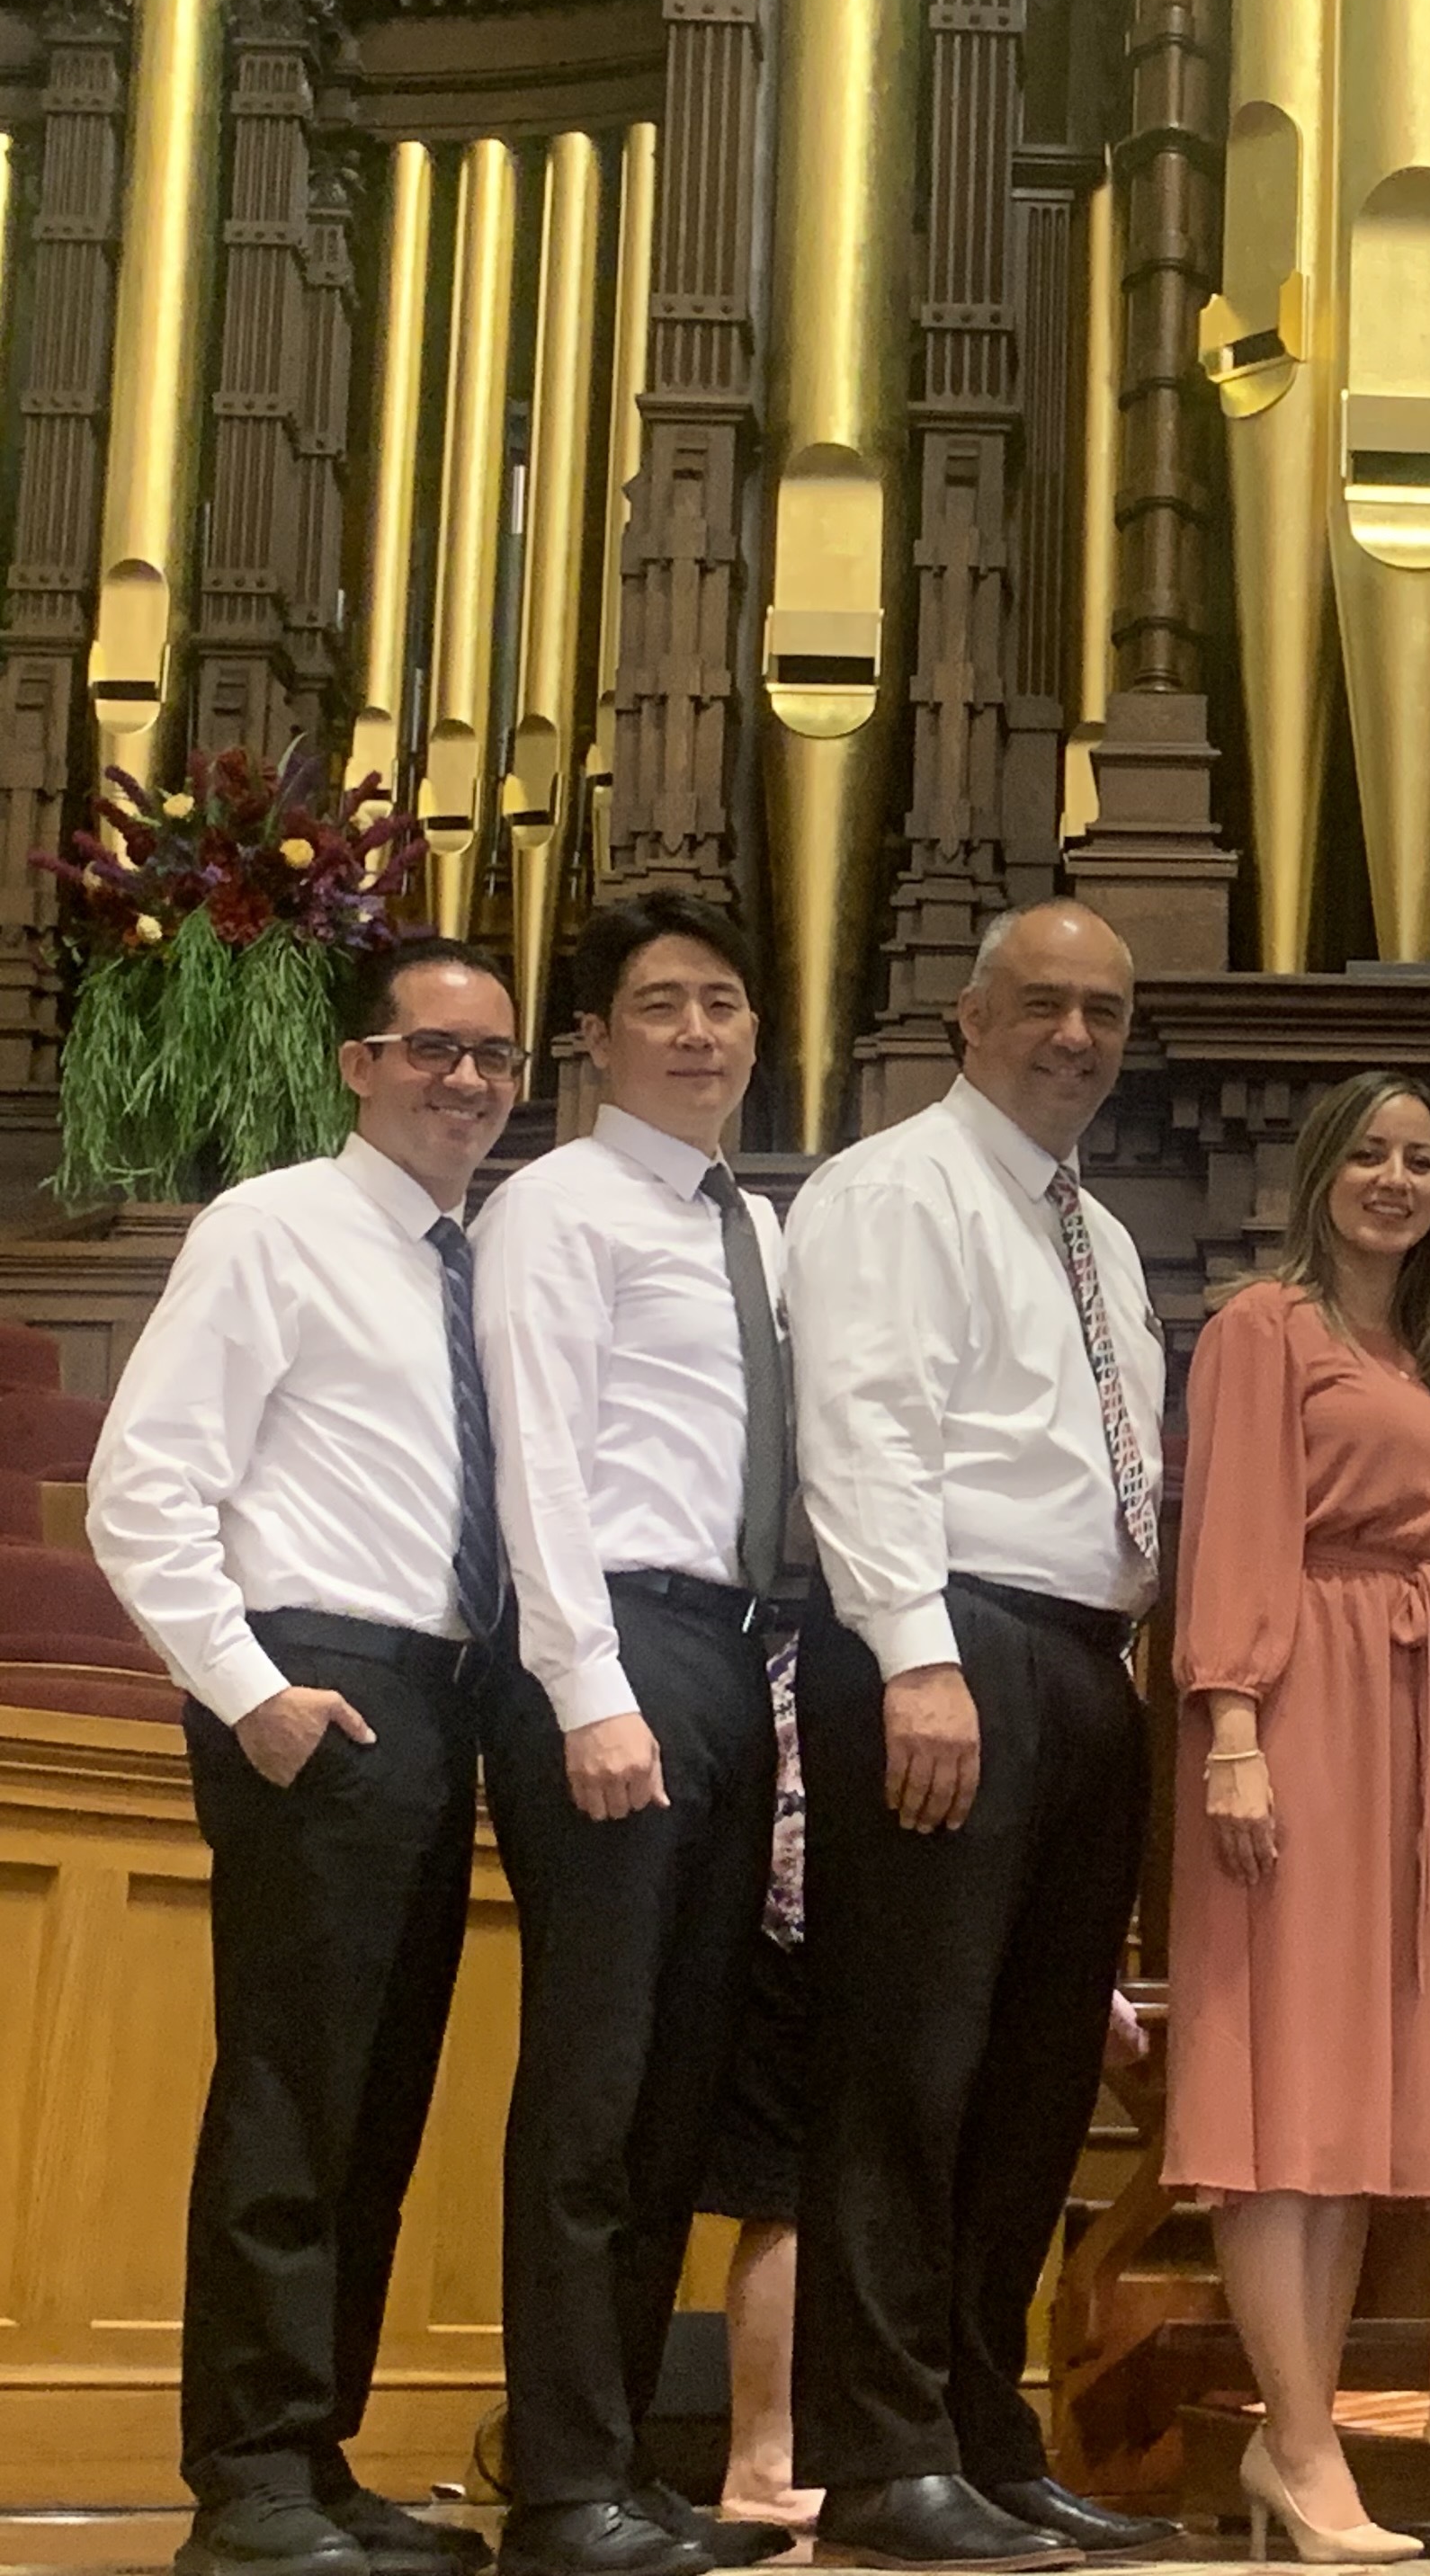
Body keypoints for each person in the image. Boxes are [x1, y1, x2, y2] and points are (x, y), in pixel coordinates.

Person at [86, 935, 522, 2576]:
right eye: (433, 1048)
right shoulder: (273, 1225)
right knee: (290, 2090)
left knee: (377, 2098)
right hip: (315, 1679)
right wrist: (250, 1688)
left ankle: (318, 2450)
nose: (467, 1080)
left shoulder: (467, 1256)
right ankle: (249, 2476)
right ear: (361, 1062)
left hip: (437, 1688)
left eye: (493, 1056)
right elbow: (145, 1483)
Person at [781, 900, 1179, 2570]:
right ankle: (879, 2454)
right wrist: (916, 1658)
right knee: (911, 2064)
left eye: (1102, 1011)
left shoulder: (1104, 1234)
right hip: (950, 1638)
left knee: (1028, 2084)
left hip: (1084, 1659)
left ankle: (980, 2427)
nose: (1075, 1036)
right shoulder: (894, 1188)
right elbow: (862, 1421)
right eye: (1043, 1005)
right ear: (968, 1017)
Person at [473, 896, 796, 2576]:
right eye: (659, 1004)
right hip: (612, 1647)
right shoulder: (560, 1205)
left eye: (723, 1002)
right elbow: (535, 1452)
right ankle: (557, 2481)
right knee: (594, 2089)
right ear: (592, 1038)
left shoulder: (753, 1220)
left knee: (675, 2094)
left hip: (731, 1660)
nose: (698, 1030)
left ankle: (618, 2473)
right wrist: (586, 1681)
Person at [1174, 1070, 1430, 2566]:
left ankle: (1302, 2434)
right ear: (1315, 1168)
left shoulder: (1415, 1355)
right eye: (1366, 1148)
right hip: (1293, 1701)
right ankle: (1296, 2438)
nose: (1394, 1175)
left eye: (1419, 1155)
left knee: (1355, 2091)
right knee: (1280, 2085)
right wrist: (1232, 1725)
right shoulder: (1263, 1325)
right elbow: (1233, 1521)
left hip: (1408, 1711)